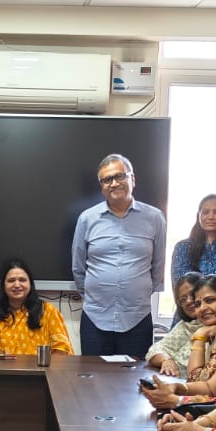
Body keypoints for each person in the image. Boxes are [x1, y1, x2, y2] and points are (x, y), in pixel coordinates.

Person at [71, 153, 166, 357]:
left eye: (120, 176)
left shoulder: (155, 218)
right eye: (107, 179)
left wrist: (137, 291)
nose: (114, 183)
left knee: (135, 376)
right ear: (101, 186)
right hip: (95, 317)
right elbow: (78, 268)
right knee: (93, 375)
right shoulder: (87, 219)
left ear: (133, 179)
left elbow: (158, 266)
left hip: (137, 318)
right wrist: (94, 294)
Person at [0, 258, 73, 356]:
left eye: (22, 280)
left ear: (30, 284)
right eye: (11, 280)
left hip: (43, 365)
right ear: (3, 285)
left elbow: (62, 349)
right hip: (4, 365)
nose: (17, 285)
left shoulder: (48, 311)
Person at [146, 271, 203, 377]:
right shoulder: (185, 326)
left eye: (192, 294)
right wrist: (166, 360)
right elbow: (154, 350)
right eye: (183, 299)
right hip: (174, 380)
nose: (188, 301)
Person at [180, 275, 216, 383]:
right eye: (198, 304)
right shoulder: (212, 333)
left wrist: (199, 337)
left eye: (210, 300)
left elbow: (195, 381)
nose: (202, 308)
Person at [170, 194, 216, 278]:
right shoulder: (183, 247)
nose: (211, 217)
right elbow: (179, 282)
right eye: (205, 212)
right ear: (199, 216)